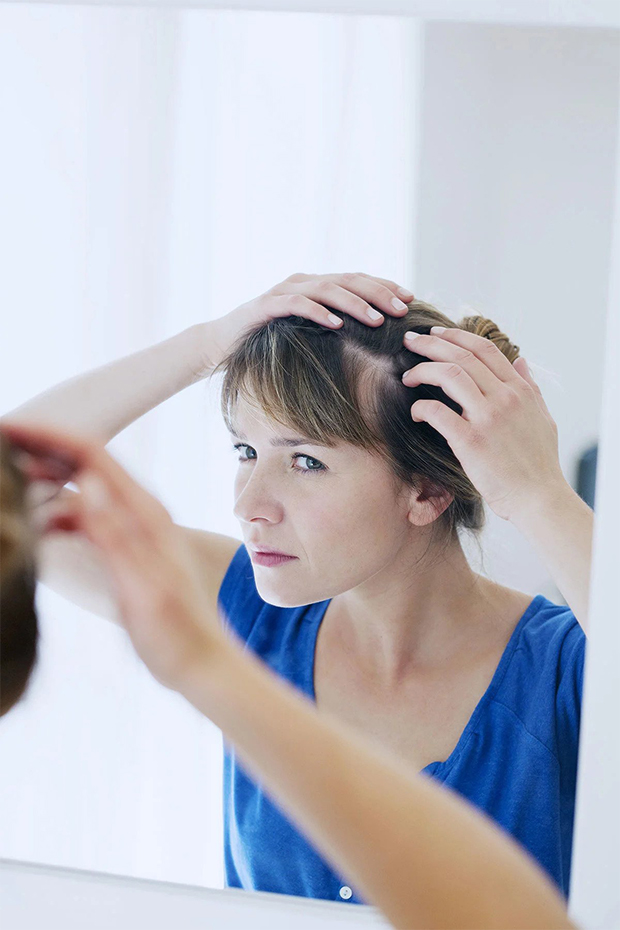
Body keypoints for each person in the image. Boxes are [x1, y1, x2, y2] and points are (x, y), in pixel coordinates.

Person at [2, 272, 593, 904]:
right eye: (245, 451)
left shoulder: (569, 663)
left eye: (305, 461)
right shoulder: (243, 613)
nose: (249, 506)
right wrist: (207, 345)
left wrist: (537, 493)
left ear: (427, 491)